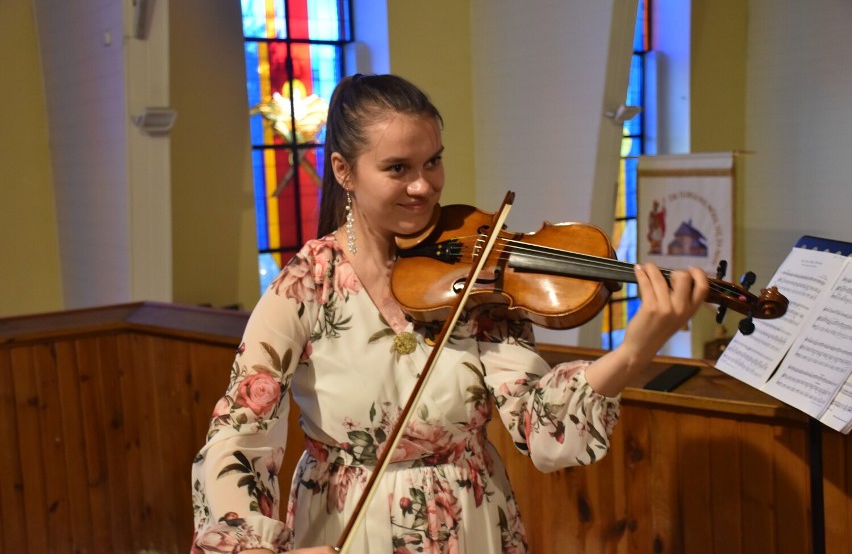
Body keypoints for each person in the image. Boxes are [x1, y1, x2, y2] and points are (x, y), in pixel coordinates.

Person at [190, 73, 708, 553]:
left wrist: (634, 351)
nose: (424, 186)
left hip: (469, 519)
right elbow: (239, 432)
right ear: (344, 170)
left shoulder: (477, 270)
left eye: (432, 161)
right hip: (351, 524)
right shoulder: (306, 286)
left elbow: (538, 422)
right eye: (398, 168)